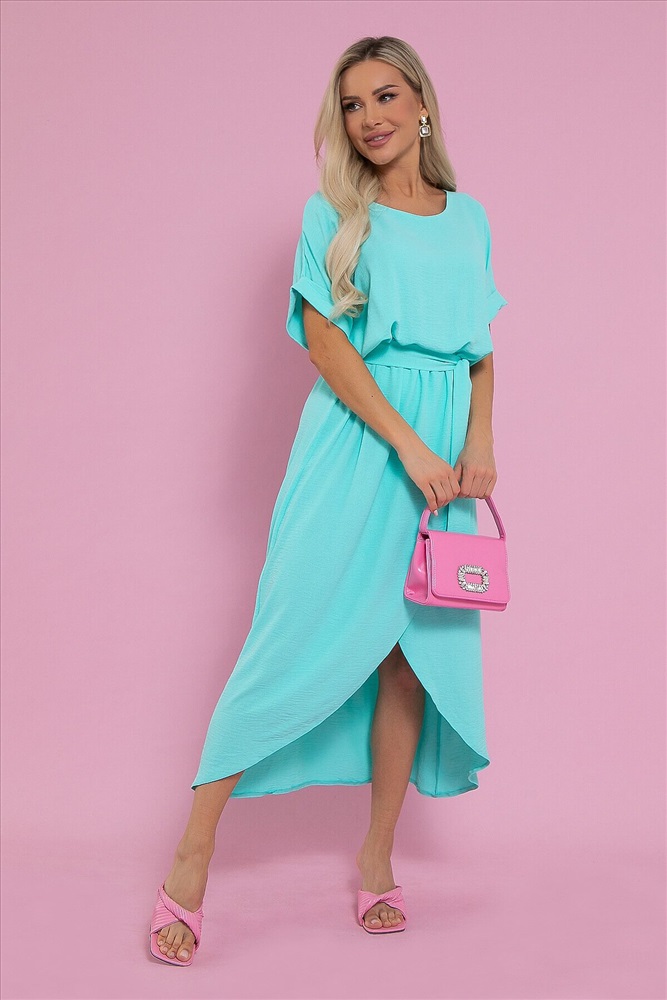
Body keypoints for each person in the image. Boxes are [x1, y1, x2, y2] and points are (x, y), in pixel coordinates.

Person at [149, 34, 508, 965]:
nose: (369, 118)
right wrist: (409, 445)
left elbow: (479, 347)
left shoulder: (468, 218)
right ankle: (192, 856)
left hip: (443, 463)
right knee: (284, 640)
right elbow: (323, 341)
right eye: (352, 105)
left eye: (385, 96)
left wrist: (477, 441)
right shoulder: (333, 215)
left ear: (421, 105)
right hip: (358, 448)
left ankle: (377, 857)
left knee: (408, 664)